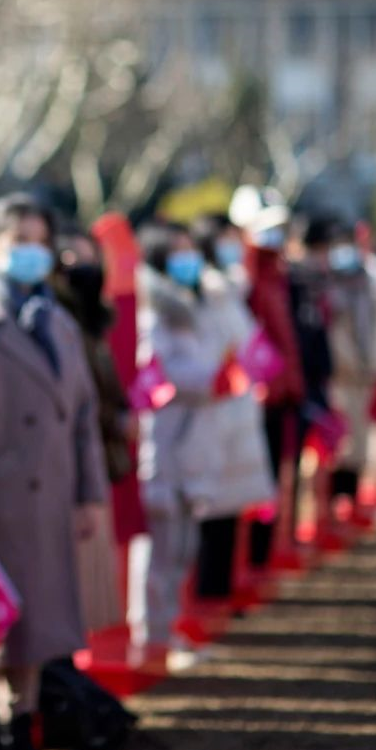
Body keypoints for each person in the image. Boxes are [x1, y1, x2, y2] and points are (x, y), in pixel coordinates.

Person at [0, 194, 109, 750]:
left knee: (36, 626)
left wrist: (89, 492)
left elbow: (82, 414)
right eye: (21, 242)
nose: (33, 253)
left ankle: (22, 727)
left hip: (49, 496)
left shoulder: (56, 320)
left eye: (41, 242)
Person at [129, 223, 226, 661]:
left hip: (192, 444)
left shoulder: (189, 303)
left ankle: (167, 631)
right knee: (160, 550)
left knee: (182, 547)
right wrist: (211, 378)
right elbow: (158, 370)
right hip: (164, 445)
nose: (190, 260)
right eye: (178, 252)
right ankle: (150, 636)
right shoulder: (153, 311)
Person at [187, 214, 275, 600]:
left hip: (237, 406)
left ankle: (223, 590)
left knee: (231, 506)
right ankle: (208, 594)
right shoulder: (208, 290)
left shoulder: (232, 288)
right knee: (214, 507)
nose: (235, 247)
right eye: (227, 239)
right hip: (216, 410)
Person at [51, 228, 131, 634]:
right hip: (64, 461)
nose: (82, 268)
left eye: (89, 258)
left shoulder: (94, 322)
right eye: (70, 257)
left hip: (95, 455)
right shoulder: (58, 320)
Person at [232, 187, 306, 568]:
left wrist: (290, 381)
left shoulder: (278, 275)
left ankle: (262, 559)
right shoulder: (240, 277)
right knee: (248, 481)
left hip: (279, 393)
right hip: (251, 396)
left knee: (274, 474)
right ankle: (245, 563)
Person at [324, 225, 376, 505]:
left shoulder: (369, 283)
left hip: (365, 376)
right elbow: (332, 333)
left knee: (362, 443)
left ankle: (352, 502)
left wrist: (375, 363)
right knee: (339, 445)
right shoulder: (328, 286)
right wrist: (348, 362)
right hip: (340, 378)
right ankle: (333, 504)